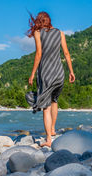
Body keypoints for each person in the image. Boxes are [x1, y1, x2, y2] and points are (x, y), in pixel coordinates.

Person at [25, 11, 75, 147]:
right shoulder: (60, 33)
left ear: (39, 21)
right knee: (54, 100)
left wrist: (33, 73)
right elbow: (66, 53)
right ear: (49, 20)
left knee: (46, 107)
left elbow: (39, 54)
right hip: (59, 73)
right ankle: (52, 129)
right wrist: (71, 71)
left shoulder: (38, 33)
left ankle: (48, 139)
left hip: (46, 74)